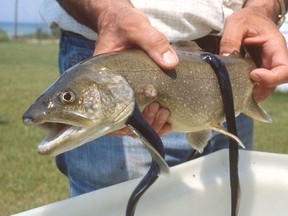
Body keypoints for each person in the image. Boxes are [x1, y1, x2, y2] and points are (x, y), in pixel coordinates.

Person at [39, 0, 288, 196]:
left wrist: (264, 8)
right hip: (110, 46)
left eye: (68, 98)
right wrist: (108, 13)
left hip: (235, 62)